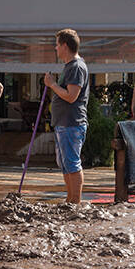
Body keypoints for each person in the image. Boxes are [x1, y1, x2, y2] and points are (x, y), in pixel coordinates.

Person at [44, 29, 89, 204]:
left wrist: (52, 84)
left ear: (64, 45)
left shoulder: (76, 67)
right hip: (65, 123)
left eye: (57, 44)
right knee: (65, 163)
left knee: (71, 162)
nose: (55, 48)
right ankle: (70, 199)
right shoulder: (71, 66)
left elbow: (72, 96)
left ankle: (75, 201)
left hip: (71, 123)